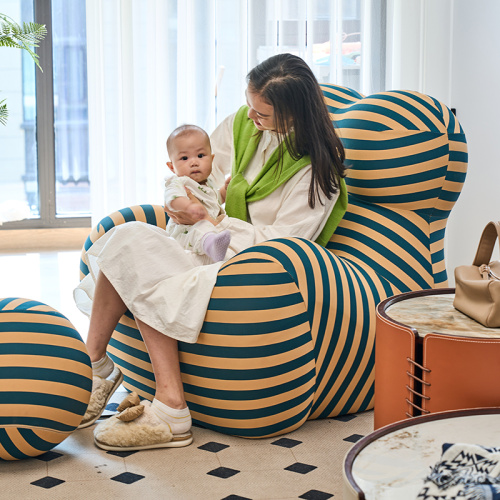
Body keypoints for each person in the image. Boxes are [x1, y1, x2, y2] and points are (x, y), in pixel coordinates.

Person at [74, 53, 348, 452]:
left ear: (294, 115)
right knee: (129, 237)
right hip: (200, 246)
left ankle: (171, 409)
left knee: (149, 267)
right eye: (250, 107)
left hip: (250, 268)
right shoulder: (242, 125)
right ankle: (96, 367)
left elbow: (285, 244)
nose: (251, 119)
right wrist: (182, 202)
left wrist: (216, 224)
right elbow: (198, 174)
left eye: (263, 115)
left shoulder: (316, 175)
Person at [164, 124, 231, 263]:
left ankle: (214, 247)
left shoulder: (209, 183)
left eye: (200, 155)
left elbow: (215, 200)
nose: (194, 162)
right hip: (185, 232)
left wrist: (225, 190)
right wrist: (188, 207)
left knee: (206, 227)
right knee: (201, 227)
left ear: (212, 159)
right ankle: (213, 246)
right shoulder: (179, 182)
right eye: (184, 158)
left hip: (207, 231)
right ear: (171, 167)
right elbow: (172, 199)